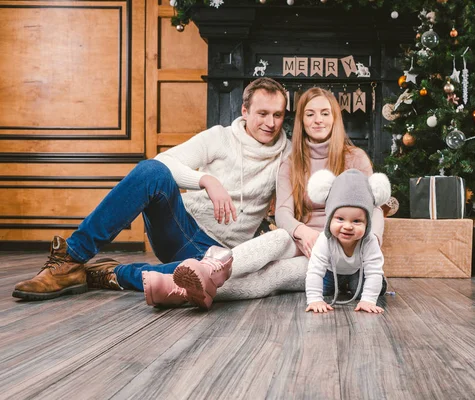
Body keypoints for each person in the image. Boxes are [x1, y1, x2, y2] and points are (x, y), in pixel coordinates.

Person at [12, 77, 292, 301]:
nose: (270, 123)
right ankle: (71, 258)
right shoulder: (219, 138)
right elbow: (165, 161)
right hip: (181, 228)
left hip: (216, 254)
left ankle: (112, 274)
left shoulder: (287, 154)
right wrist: (206, 180)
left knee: (212, 280)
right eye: (262, 113)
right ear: (244, 111)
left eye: (277, 115)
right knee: (152, 171)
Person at [141, 87, 387, 307]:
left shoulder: (355, 158)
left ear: (335, 118)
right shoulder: (291, 161)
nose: (318, 120)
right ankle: (208, 270)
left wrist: (369, 242)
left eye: (325, 113)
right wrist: (302, 232)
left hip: (339, 250)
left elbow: (373, 207)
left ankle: (177, 290)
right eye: (310, 114)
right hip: (301, 239)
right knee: (279, 237)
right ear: (301, 120)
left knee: (272, 274)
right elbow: (282, 213)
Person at [304, 168, 390, 314]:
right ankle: (342, 285)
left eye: (357, 221)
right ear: (329, 218)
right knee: (322, 289)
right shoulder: (325, 240)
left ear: (367, 223)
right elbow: (315, 270)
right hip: (331, 271)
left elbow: (373, 271)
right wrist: (315, 299)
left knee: (369, 287)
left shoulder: (369, 241)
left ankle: (363, 284)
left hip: (357, 271)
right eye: (340, 219)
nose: (348, 226)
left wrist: (368, 300)